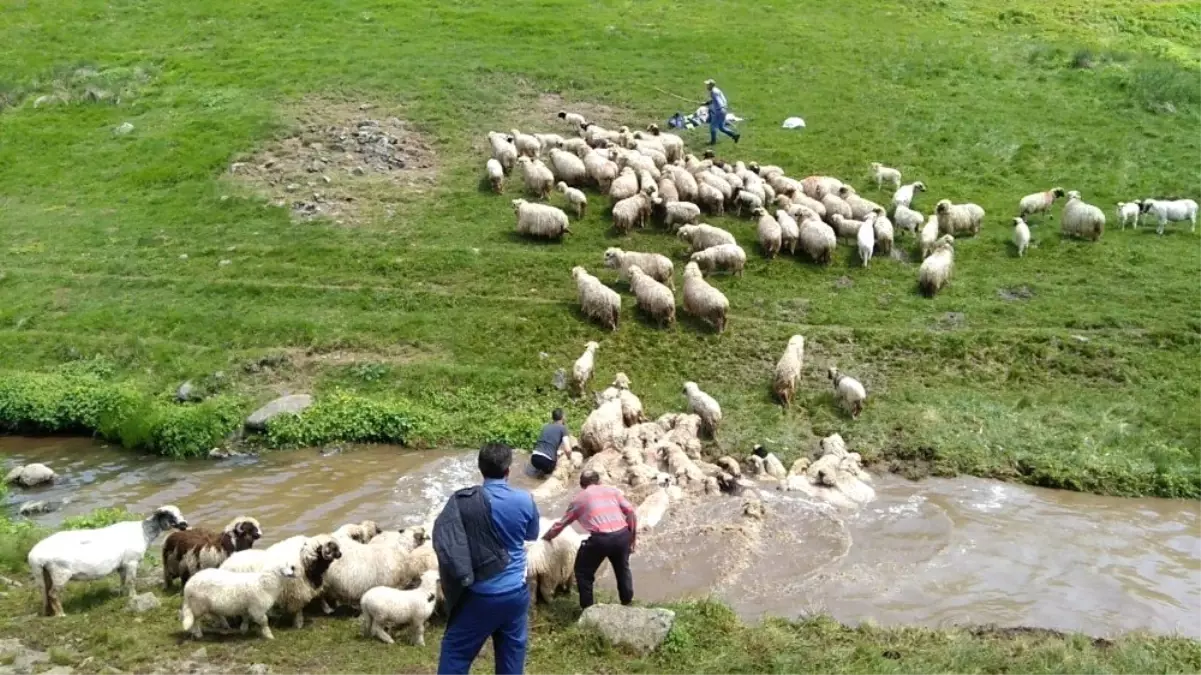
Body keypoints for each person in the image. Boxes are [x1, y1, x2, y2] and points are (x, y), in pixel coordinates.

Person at [434, 443, 539, 675]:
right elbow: (531, 535)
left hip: (478, 596)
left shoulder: (463, 502)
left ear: (480, 469)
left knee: (456, 652)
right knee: (511, 657)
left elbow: (447, 541)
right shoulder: (525, 500)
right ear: (508, 470)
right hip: (515, 595)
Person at [543, 469, 637, 609]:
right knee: (622, 569)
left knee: (583, 572)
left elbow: (561, 524)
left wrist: (547, 537)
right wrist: (632, 536)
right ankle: (627, 602)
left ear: (582, 484)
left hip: (601, 539)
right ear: (599, 481)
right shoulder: (613, 491)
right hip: (622, 535)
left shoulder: (579, 500)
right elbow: (630, 511)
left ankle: (587, 609)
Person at [529, 409, 568, 477]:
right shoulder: (563, 428)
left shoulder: (545, 426)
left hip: (534, 459)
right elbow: (568, 450)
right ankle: (544, 472)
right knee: (554, 466)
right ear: (562, 417)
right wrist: (570, 459)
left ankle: (540, 471)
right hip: (546, 462)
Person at [703, 79, 740, 146]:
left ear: (711, 85)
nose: (706, 86)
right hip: (723, 110)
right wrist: (708, 103)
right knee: (721, 127)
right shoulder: (716, 90)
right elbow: (717, 100)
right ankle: (734, 135)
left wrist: (718, 110)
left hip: (719, 111)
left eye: (708, 85)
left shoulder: (713, 93)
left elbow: (719, 102)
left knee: (712, 127)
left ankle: (713, 141)